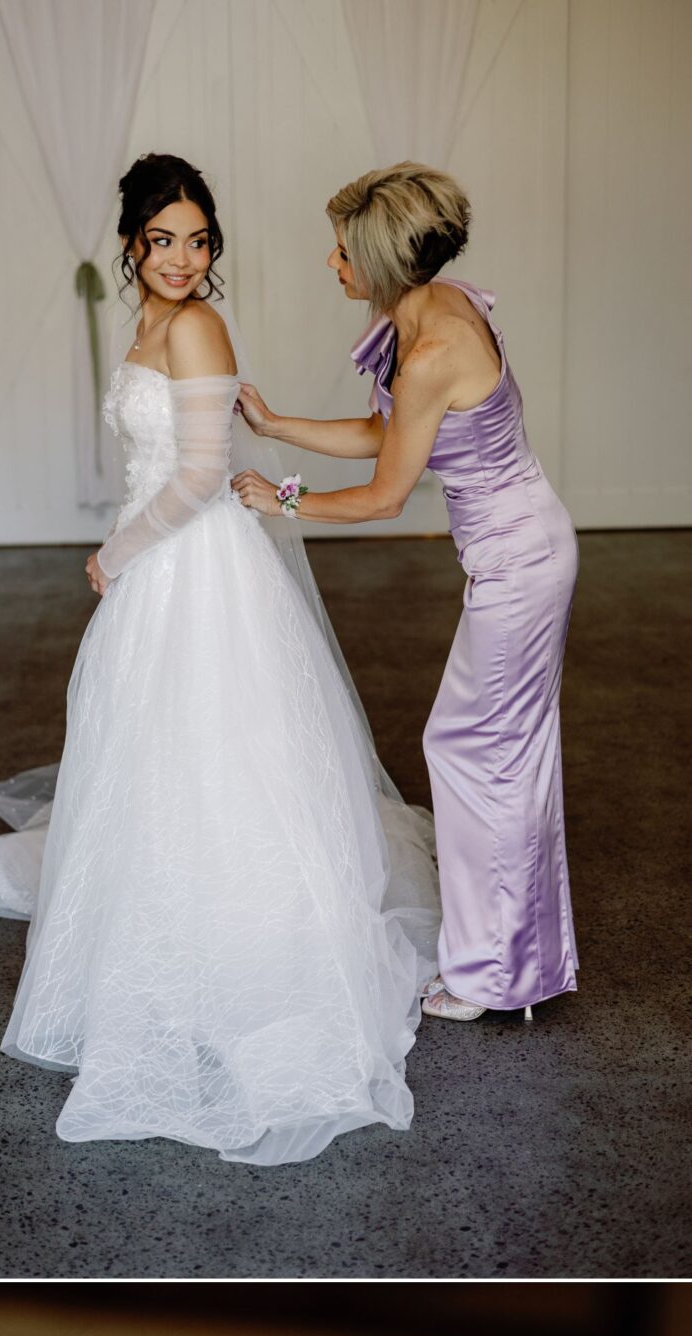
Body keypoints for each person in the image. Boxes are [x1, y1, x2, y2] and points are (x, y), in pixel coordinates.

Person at [0, 154, 440, 1164]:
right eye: (164, 240)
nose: (183, 259)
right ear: (131, 244)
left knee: (215, 747)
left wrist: (116, 550)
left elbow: (203, 472)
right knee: (150, 751)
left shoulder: (198, 324)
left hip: (191, 565)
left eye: (199, 240)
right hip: (159, 556)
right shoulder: (150, 320)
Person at [235, 161, 579, 1024]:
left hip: (519, 566)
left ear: (383, 260)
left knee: (473, 753)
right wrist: (279, 427)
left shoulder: (429, 349)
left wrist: (280, 499)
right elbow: (390, 435)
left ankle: (486, 977)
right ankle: (513, 962)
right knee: (500, 755)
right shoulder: (437, 305)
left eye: (343, 249)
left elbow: (389, 492)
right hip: (524, 548)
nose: (331, 262)